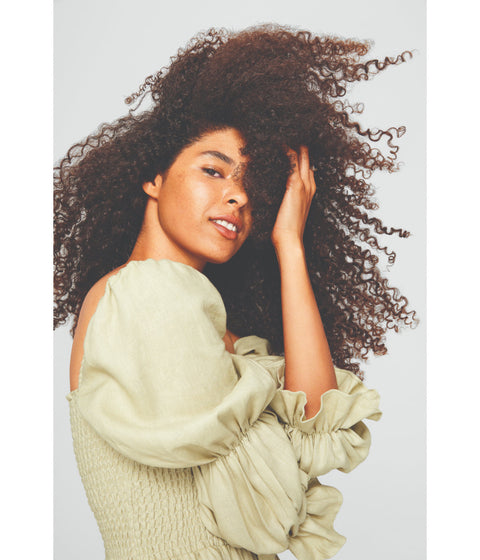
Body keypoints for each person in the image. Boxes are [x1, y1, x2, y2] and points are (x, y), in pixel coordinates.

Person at [54, 23, 417, 560]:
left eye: (253, 187)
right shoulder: (146, 290)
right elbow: (273, 507)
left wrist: (289, 244)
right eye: (214, 170)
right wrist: (275, 413)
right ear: (154, 177)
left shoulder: (208, 325)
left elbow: (316, 425)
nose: (238, 197)